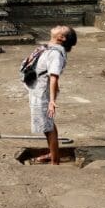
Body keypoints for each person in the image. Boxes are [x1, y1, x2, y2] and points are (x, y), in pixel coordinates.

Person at [28, 25, 77, 165]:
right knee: (47, 124)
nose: (58, 26)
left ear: (61, 38)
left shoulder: (55, 54)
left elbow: (54, 77)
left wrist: (51, 100)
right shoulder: (50, 48)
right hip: (39, 89)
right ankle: (53, 153)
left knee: (48, 127)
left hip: (43, 92)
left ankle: (55, 160)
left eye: (61, 28)